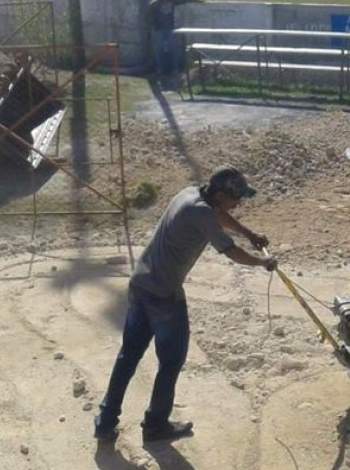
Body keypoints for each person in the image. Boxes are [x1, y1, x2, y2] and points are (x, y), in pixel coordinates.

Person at [94, 168, 276, 444]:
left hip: (141, 283)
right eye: (235, 199)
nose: (237, 205)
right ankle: (155, 425)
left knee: (128, 356)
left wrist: (248, 233)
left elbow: (218, 215)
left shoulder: (190, 194)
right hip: (164, 295)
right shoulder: (201, 213)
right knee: (171, 361)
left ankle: (105, 422)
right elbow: (231, 252)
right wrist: (262, 262)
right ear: (219, 195)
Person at [149, 0, 199, 76]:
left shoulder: (173, 0)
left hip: (170, 29)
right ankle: (160, 69)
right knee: (159, 50)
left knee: (173, 49)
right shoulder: (156, 3)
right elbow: (150, 12)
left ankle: (174, 69)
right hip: (159, 29)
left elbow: (184, 0)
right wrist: (152, 25)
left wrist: (195, 0)